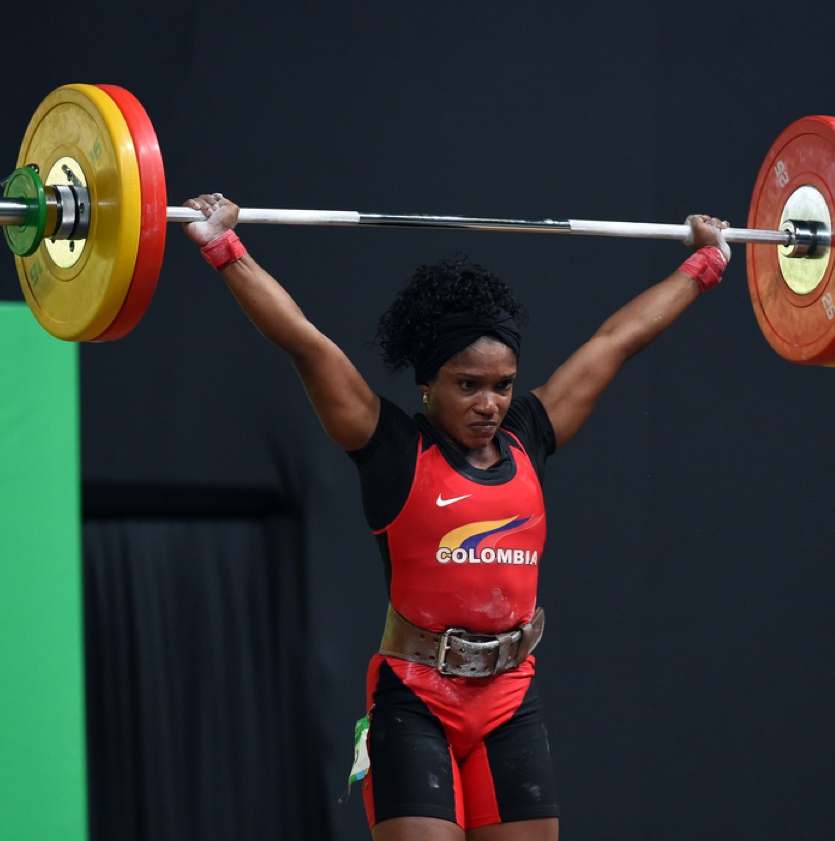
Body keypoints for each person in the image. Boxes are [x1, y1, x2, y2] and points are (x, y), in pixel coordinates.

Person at [183, 193, 730, 841]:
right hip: (414, 698)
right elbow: (304, 341)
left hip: (509, 698)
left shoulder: (532, 433)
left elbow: (616, 341)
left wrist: (707, 262)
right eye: (468, 383)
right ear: (427, 383)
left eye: (502, 383)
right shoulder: (390, 447)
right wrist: (223, 247)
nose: (490, 402)